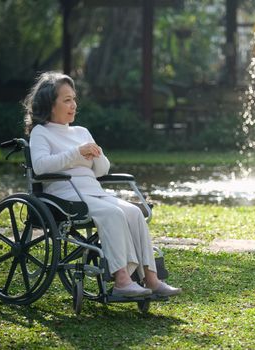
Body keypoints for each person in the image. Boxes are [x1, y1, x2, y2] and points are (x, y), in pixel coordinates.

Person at [23, 71, 181, 298]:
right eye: (67, 100)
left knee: (134, 213)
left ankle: (152, 279)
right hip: (64, 196)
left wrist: (96, 155)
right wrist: (77, 153)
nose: (73, 105)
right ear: (49, 104)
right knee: (113, 214)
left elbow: (101, 171)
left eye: (74, 99)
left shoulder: (81, 132)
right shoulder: (42, 133)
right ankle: (122, 281)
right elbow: (40, 166)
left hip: (93, 192)